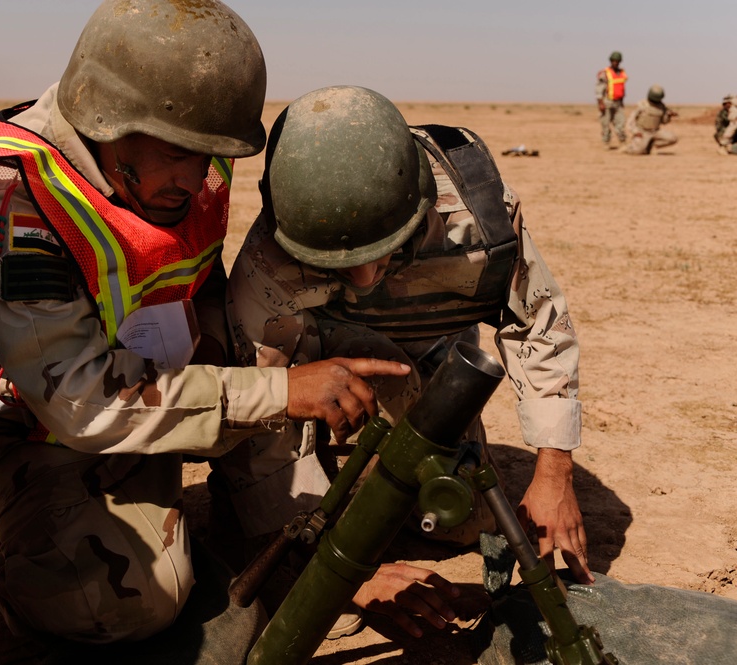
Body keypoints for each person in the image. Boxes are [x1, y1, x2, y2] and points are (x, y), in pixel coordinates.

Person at [0, 0, 412, 650]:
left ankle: (218, 508)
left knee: (286, 355)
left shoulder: (189, 158)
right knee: (128, 596)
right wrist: (277, 393)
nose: (194, 179)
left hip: (146, 376)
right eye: (177, 154)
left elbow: (205, 287)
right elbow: (82, 401)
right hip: (22, 425)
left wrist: (262, 381)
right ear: (105, 119)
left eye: (209, 155)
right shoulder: (5, 208)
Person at [223, 86, 594, 629]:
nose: (365, 279)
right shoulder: (269, 257)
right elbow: (261, 397)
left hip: (432, 362)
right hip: (329, 372)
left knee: (459, 524)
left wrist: (554, 473)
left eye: (381, 252)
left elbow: (538, 326)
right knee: (308, 533)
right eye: (336, 265)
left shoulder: (481, 218)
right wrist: (342, 566)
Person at [623, 85, 678, 155]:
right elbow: (631, 120)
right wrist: (635, 131)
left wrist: (669, 116)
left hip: (655, 131)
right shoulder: (642, 105)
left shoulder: (662, 106)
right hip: (642, 131)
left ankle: (652, 144)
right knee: (638, 152)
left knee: (672, 138)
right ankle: (629, 148)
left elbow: (664, 121)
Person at [596, 51, 628, 149]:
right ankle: (606, 142)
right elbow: (599, 89)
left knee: (620, 123)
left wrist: (622, 102)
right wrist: (601, 103)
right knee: (605, 123)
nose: (615, 63)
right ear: (611, 61)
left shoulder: (622, 73)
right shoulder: (605, 73)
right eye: (614, 61)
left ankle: (623, 142)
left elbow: (621, 88)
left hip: (618, 102)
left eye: (617, 61)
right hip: (607, 101)